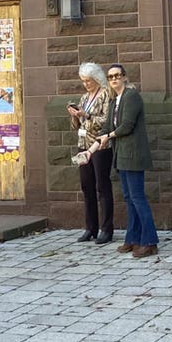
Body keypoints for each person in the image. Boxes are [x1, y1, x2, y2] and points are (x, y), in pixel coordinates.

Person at [87, 64, 159, 258]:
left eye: (117, 75)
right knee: (128, 198)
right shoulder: (114, 100)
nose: (114, 79)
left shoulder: (131, 96)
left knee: (137, 198)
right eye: (110, 77)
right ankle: (133, 238)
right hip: (121, 156)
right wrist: (90, 151)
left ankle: (150, 241)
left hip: (133, 155)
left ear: (125, 77)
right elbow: (106, 127)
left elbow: (127, 126)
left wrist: (108, 136)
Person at [67, 62, 114, 245]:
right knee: (86, 186)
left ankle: (106, 228)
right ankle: (90, 227)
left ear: (96, 79)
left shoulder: (105, 94)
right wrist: (74, 115)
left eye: (88, 81)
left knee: (102, 186)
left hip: (100, 145)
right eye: (83, 81)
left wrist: (86, 116)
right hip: (83, 144)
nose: (86, 84)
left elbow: (107, 121)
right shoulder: (84, 97)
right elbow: (76, 126)